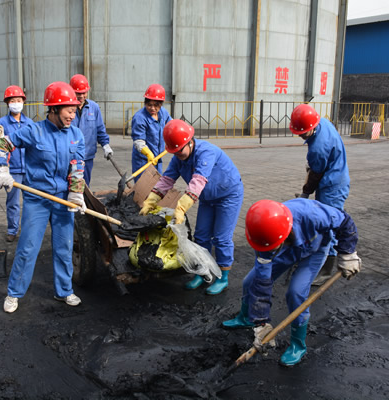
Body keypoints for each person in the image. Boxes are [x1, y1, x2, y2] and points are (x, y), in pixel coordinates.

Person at [222, 199, 361, 366]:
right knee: (250, 282)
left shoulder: (311, 214)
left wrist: (347, 254)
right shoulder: (263, 238)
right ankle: (247, 318)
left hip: (314, 250)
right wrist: (261, 323)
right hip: (285, 251)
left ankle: (297, 345)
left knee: (296, 293)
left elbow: (345, 222)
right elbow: (262, 282)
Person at [0, 81, 86, 313]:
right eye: (68, 110)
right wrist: (2, 168)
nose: (72, 115)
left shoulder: (76, 135)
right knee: (28, 247)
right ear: (53, 109)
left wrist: (76, 193)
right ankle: (14, 293)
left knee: (64, 247)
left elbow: (78, 166)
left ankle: (64, 291)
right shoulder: (34, 131)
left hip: (63, 199)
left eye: (74, 110)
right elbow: (4, 143)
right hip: (37, 199)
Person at [139, 120, 243, 295]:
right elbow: (167, 179)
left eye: (179, 150)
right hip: (207, 198)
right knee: (201, 235)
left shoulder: (206, 152)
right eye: (174, 152)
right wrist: (151, 201)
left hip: (228, 195)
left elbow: (198, 181)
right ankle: (202, 272)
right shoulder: (178, 158)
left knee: (221, 238)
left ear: (190, 142)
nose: (177, 155)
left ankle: (223, 277)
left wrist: (181, 208)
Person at [290, 104, 350, 286]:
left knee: (328, 225)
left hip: (332, 187)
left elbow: (316, 175)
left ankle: (325, 270)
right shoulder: (322, 122)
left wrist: (305, 193)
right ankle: (317, 259)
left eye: (303, 133)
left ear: (311, 127)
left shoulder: (318, 148)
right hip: (335, 177)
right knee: (324, 223)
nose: (300, 136)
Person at [0, 85, 32, 242]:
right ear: (7, 103)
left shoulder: (29, 123)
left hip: (29, 169)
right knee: (13, 203)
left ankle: (29, 230)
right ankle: (12, 230)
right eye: (13, 100)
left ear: (23, 101)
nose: (16, 103)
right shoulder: (2, 123)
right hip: (12, 169)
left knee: (31, 202)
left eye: (19, 100)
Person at [69, 74, 113, 185]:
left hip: (87, 155)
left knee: (85, 186)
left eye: (84, 93)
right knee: (70, 186)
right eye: (78, 93)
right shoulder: (67, 108)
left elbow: (100, 129)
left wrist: (105, 145)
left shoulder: (94, 107)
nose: (81, 96)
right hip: (69, 156)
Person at [131, 84, 172, 180]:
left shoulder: (163, 113)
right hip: (143, 161)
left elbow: (171, 125)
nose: (152, 108)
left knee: (157, 185)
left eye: (156, 105)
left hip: (157, 159)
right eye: (149, 105)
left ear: (161, 104)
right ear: (145, 103)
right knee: (143, 187)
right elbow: (138, 141)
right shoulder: (140, 118)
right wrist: (148, 153)